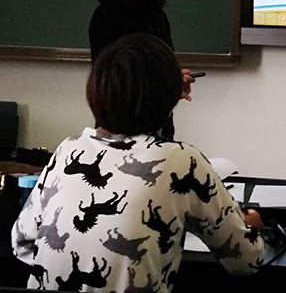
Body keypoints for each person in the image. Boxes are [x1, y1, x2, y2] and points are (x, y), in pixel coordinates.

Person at [12, 33, 264, 292]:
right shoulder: (180, 160)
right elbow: (246, 261)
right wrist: (251, 225)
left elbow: (20, 242)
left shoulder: (69, 148)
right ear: (167, 97)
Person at [89, 0, 194, 138]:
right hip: (120, 126)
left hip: (158, 124)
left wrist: (175, 82)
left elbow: (161, 64)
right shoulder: (107, 15)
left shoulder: (157, 14)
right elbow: (109, 80)